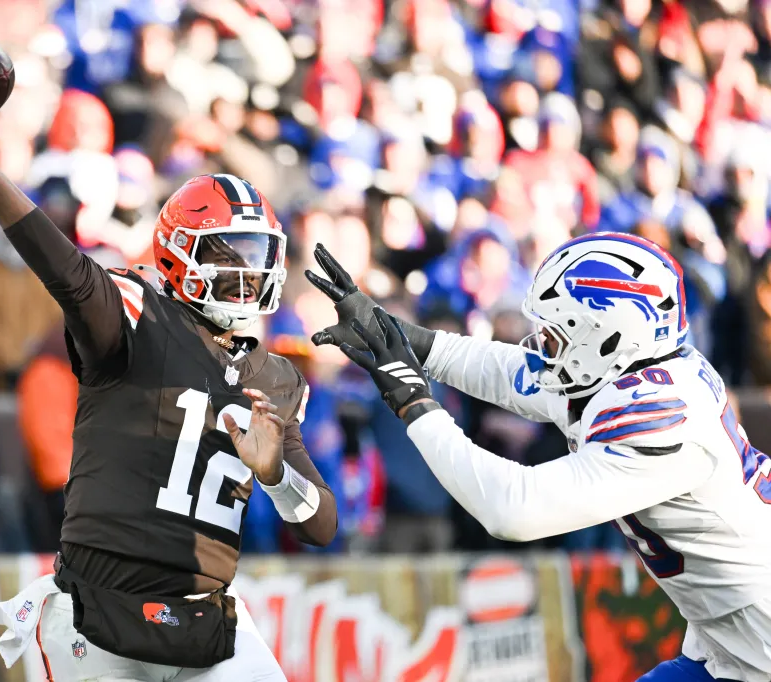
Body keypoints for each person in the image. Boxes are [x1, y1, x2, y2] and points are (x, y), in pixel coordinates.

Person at [0, 81, 336, 681]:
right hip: (97, 616)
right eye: (228, 254)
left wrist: (277, 476)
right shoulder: (136, 316)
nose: (247, 271)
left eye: (256, 252)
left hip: (202, 621)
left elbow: (320, 525)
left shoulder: (274, 378)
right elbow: (66, 272)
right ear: (178, 255)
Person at [307, 236, 771, 682]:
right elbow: (515, 375)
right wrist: (407, 340)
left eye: (556, 332)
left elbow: (513, 509)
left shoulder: (658, 417)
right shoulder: (635, 369)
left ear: (606, 337)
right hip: (727, 644)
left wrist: (417, 408)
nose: (540, 343)